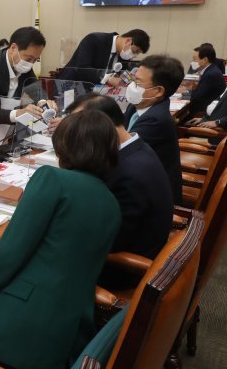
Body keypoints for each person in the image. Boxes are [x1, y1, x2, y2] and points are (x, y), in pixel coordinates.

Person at [0, 109, 121, 369]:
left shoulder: (52, 178)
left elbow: (8, 256)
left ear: (64, 145)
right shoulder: (111, 202)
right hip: (62, 337)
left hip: (15, 331)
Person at [66, 94, 173, 262]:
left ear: (102, 126)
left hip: (120, 267)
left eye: (78, 128)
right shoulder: (136, 147)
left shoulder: (130, 175)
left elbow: (111, 241)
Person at [124, 54, 183, 204]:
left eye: (138, 82)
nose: (131, 86)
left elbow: (121, 149)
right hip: (137, 177)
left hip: (153, 197)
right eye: (133, 79)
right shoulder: (138, 105)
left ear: (158, 91)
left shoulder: (157, 120)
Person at [0, 27, 46, 125]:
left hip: (6, 128)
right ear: (13, 48)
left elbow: (35, 88)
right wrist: (21, 113)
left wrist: (42, 102)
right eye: (29, 59)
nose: (31, 64)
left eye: (35, 60)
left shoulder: (24, 65)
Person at [186, 47, 227, 130]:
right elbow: (220, 104)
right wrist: (205, 119)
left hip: (217, 132)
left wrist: (218, 122)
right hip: (209, 121)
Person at [59, 29, 150, 86]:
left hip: (95, 92)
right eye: (134, 51)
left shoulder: (123, 55)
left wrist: (132, 80)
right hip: (71, 85)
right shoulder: (94, 39)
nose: (133, 55)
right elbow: (82, 68)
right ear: (128, 41)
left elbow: (122, 73)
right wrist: (108, 79)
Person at [185, 44, 226, 116]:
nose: (192, 62)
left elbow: (196, 98)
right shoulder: (210, 70)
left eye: (194, 59)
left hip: (202, 113)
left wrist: (188, 90)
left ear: (205, 60)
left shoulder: (211, 74)